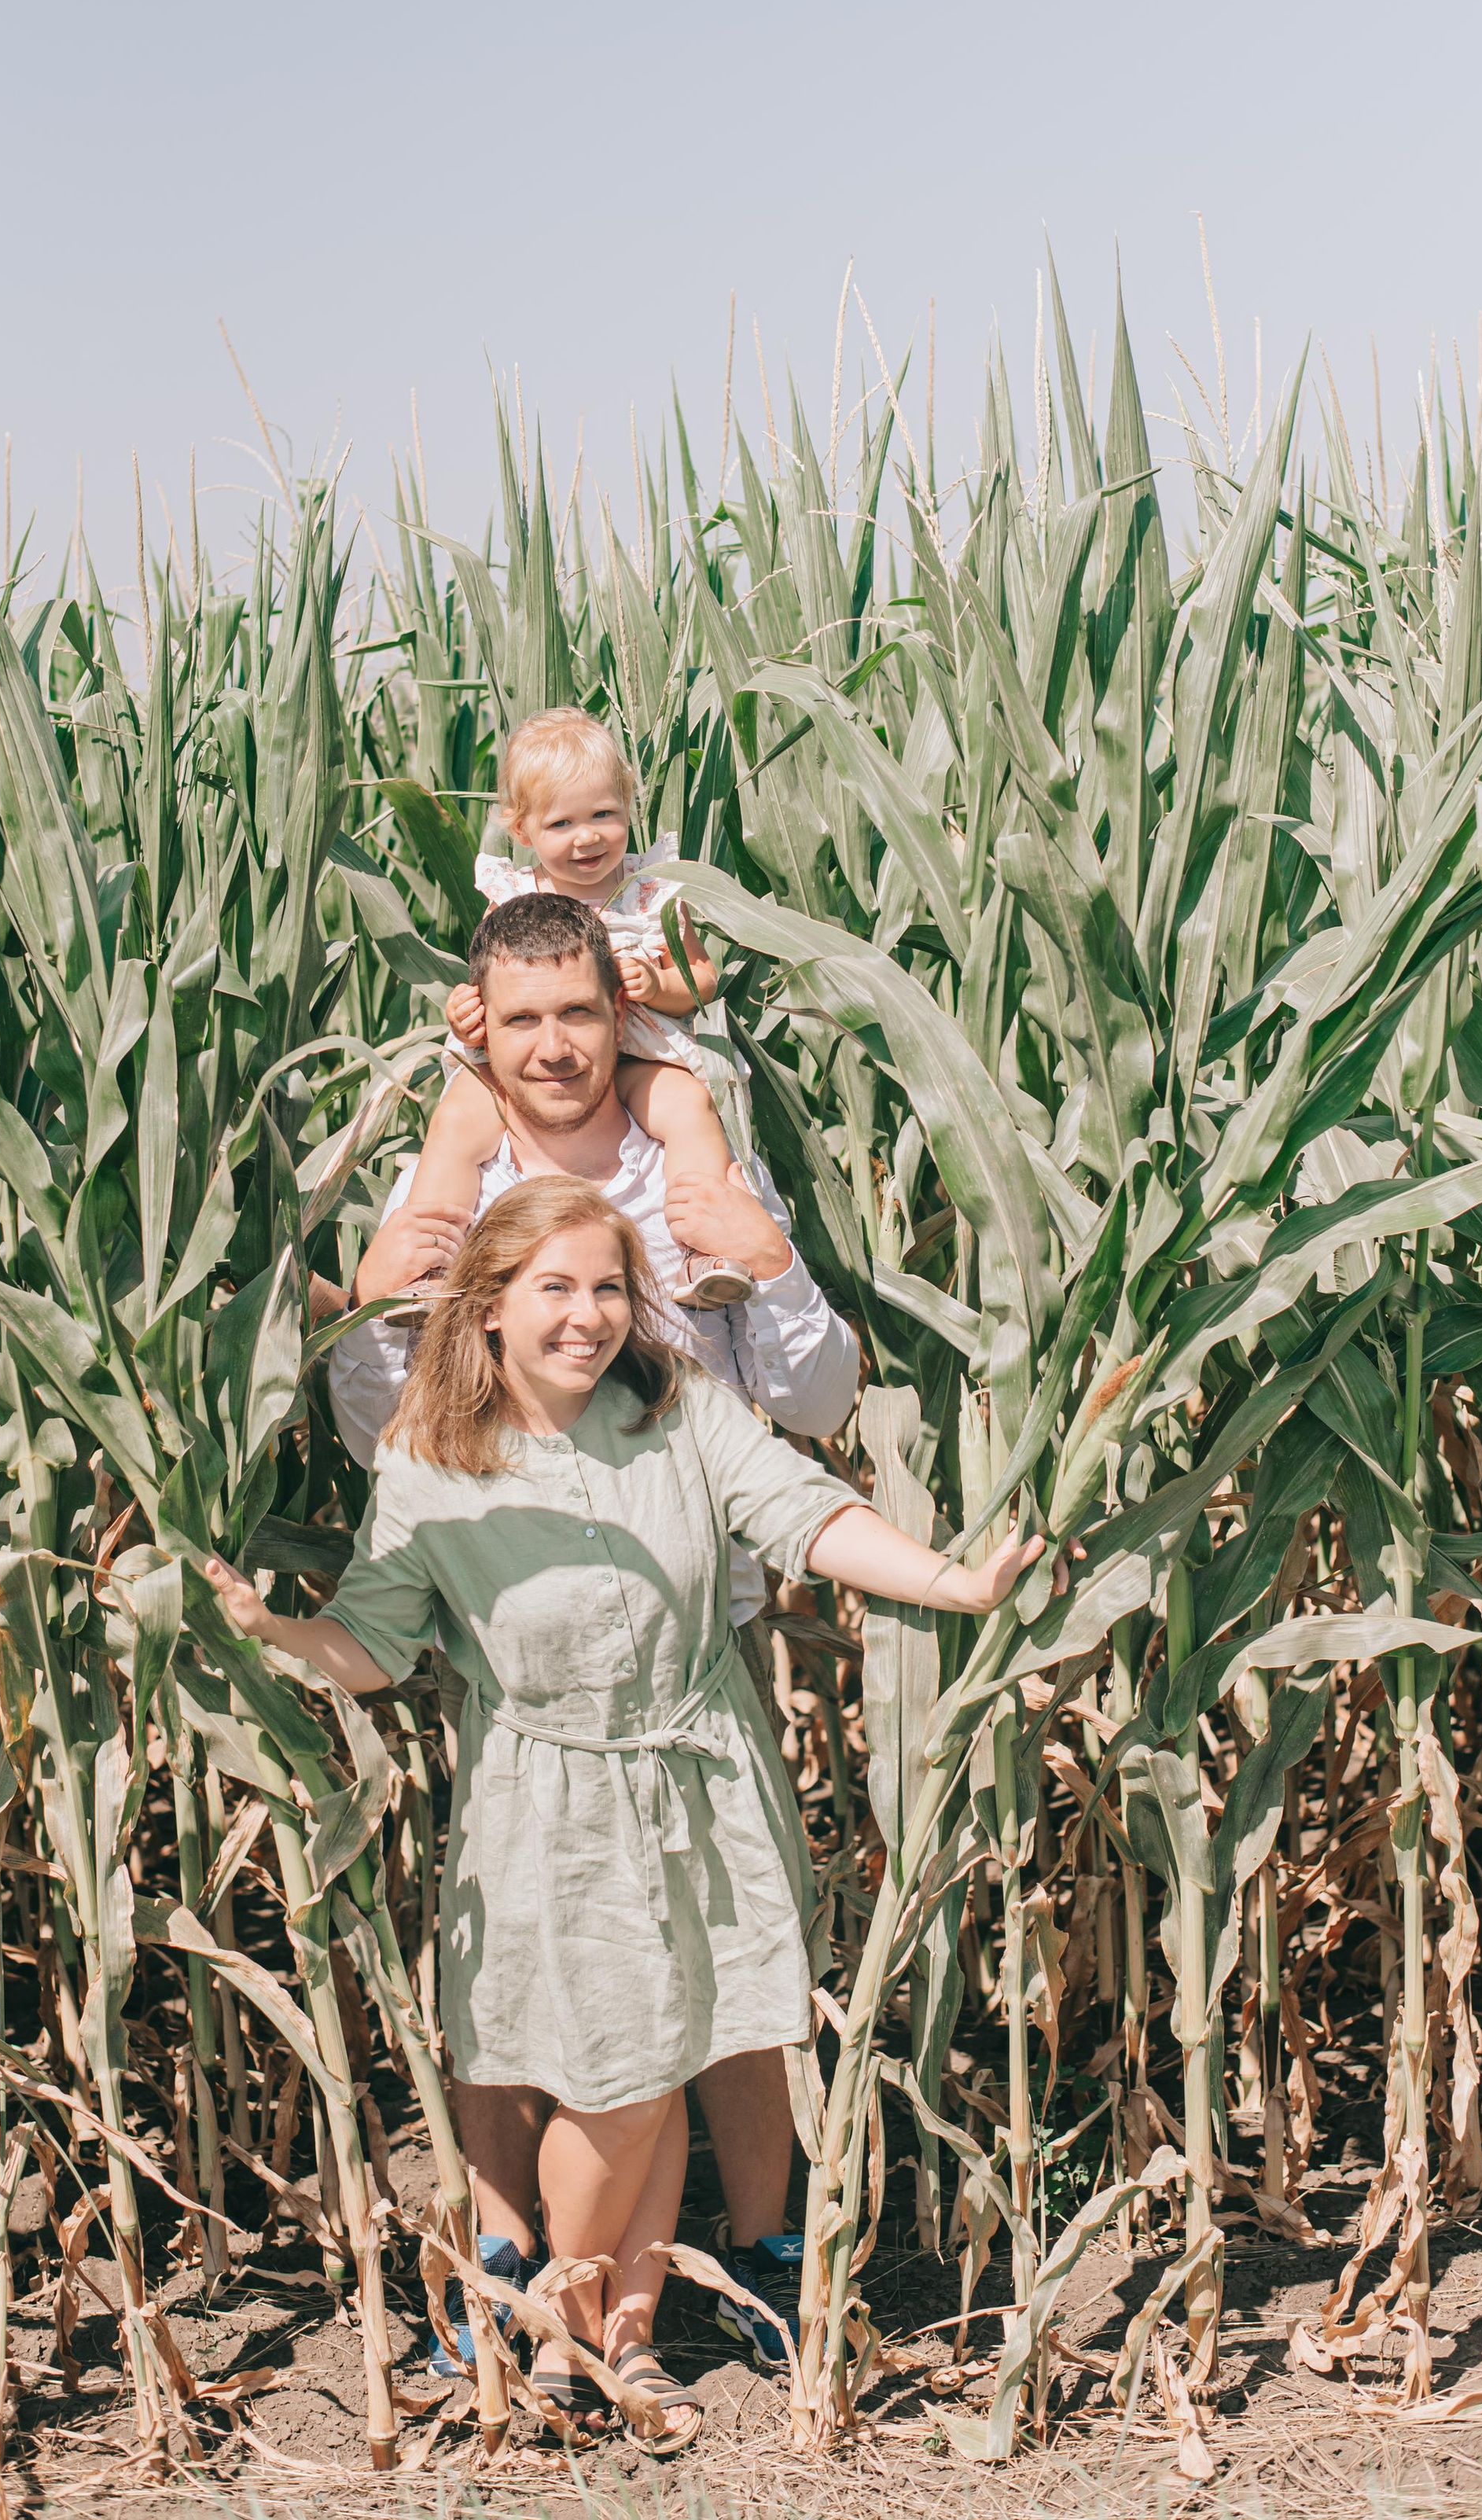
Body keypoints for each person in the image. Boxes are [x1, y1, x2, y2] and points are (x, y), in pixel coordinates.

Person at [211, 1179, 1050, 2441]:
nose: (589, 1315)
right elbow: (376, 1641)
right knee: (611, 2077)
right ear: (487, 1308)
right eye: (555, 1288)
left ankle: (622, 2340)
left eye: (608, 1286)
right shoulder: (432, 1464)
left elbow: (807, 1514)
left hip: (705, 1775)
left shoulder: (683, 1414)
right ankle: (555, 2326)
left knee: (666, 2063)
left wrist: (958, 1585)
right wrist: (272, 1631)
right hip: (551, 1799)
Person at [318, 890, 859, 2371]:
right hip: (508, 1627)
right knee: (519, 1953)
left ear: (621, 1015)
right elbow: (387, 1411)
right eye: (527, 1018)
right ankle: (516, 2266)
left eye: (584, 1013)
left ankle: (754, 2247)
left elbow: (813, 1403)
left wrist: (769, 1257)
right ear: (478, 1028)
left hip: (694, 1643)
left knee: (730, 1956)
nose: (558, 1045)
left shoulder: (693, 1157)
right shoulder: (451, 1186)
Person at [393, 708, 750, 1310]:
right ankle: (428, 1269)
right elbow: (489, 985)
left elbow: (704, 978)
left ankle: (704, 1249)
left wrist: (659, 983)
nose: (587, 837)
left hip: (637, 1050)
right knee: (458, 1115)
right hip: (535, 1064)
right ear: (523, 829)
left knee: (688, 1104)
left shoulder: (653, 892)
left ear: (628, 806)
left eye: (604, 815)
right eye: (562, 823)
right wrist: (465, 1013)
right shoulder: (514, 895)